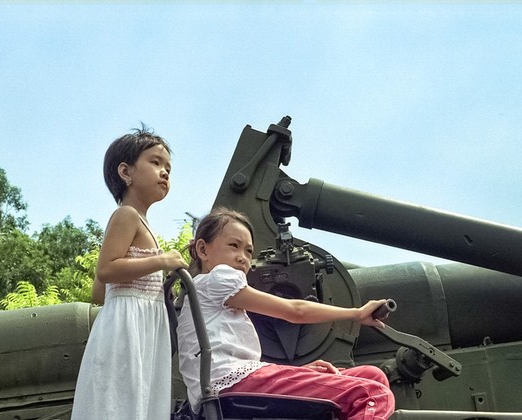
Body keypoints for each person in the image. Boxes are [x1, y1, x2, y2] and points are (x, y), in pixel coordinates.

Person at [177, 207, 396, 420]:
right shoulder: (219, 279)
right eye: (234, 246)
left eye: (248, 251)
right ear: (203, 250)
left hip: (238, 380)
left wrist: (297, 372)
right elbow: (295, 311)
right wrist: (356, 313)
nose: (243, 257)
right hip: (231, 383)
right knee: (373, 395)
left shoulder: (206, 290)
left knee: (372, 375)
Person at [71, 126, 188, 419]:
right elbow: (107, 269)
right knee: (122, 400)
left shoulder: (143, 224)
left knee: (135, 401)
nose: (164, 173)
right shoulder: (127, 215)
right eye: (155, 162)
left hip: (140, 325)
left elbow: (100, 292)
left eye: (168, 168)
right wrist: (162, 262)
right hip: (128, 327)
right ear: (126, 171)